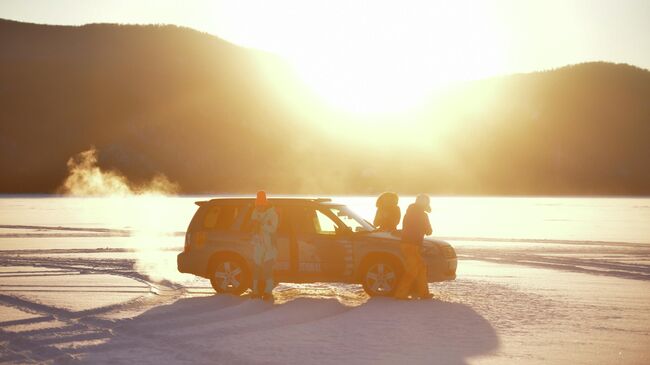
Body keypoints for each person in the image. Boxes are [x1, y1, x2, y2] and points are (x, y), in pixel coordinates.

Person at [394, 194, 434, 300]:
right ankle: (400, 294)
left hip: (407, 244)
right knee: (412, 270)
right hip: (412, 245)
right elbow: (429, 231)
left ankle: (424, 293)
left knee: (420, 267)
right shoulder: (422, 215)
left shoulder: (409, 212)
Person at [250, 191, 279, 301]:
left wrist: (261, 225)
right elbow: (252, 226)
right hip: (258, 244)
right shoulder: (254, 212)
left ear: (265, 203)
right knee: (256, 269)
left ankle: (268, 292)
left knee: (268, 269)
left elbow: (273, 229)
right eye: (258, 205)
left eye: (261, 205)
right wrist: (254, 227)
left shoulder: (272, 214)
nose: (259, 207)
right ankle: (255, 291)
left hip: (270, 246)